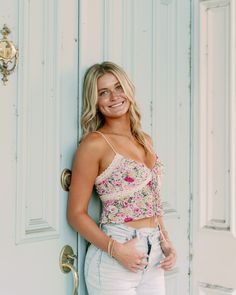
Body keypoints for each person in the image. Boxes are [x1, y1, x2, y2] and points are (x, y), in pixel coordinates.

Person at [67, 61, 176, 294]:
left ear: (128, 89)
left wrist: (166, 241)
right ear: (95, 101)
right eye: (103, 92)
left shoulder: (145, 139)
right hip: (115, 253)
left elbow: (152, 197)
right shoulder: (94, 144)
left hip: (153, 251)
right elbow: (75, 214)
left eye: (118, 87)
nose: (114, 97)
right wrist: (116, 250)